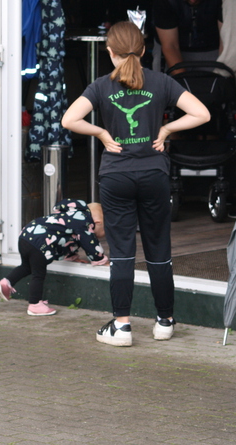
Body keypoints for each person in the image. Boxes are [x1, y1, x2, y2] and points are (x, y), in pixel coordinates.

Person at [61, 22, 210, 347]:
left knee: (123, 253)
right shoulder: (161, 81)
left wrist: (102, 133)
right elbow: (202, 113)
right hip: (154, 175)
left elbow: (69, 119)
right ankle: (164, 322)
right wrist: (166, 130)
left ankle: (122, 326)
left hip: (116, 177)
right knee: (159, 249)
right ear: (143, 50)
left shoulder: (101, 86)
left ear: (110, 52)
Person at [0, 199, 108, 316]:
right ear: (98, 222)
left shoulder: (70, 215)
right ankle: (35, 304)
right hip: (40, 242)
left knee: (26, 266)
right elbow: (89, 243)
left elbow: (68, 240)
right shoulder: (85, 222)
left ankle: (6, 282)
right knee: (38, 274)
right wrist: (100, 259)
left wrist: (72, 257)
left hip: (25, 236)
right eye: (105, 230)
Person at [151, 0, 225, 72]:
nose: (192, 0)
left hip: (213, 49)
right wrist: (182, 80)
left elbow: (225, 42)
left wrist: (220, 77)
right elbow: (170, 45)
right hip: (173, 48)